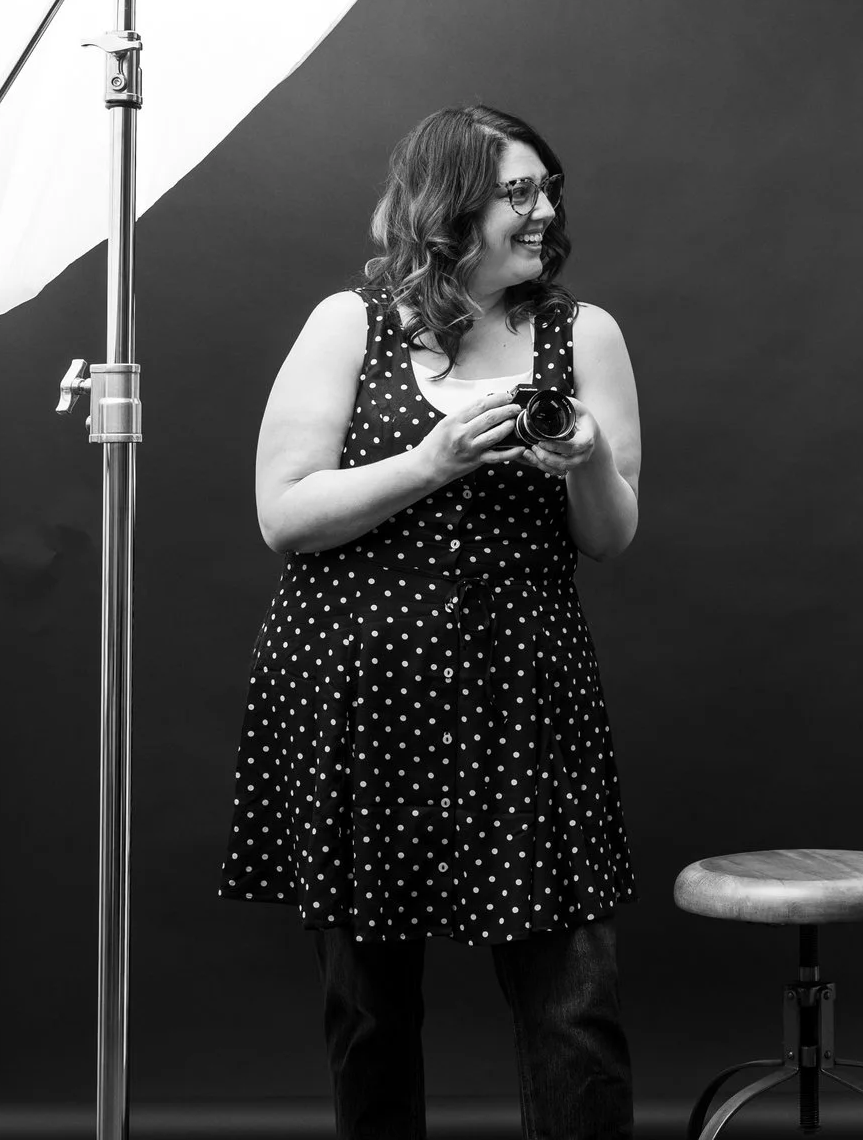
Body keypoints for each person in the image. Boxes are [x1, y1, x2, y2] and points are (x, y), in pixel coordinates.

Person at [222, 105, 644, 1140]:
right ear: (447, 204)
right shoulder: (347, 323)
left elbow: (610, 536)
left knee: (573, 1003)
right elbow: (285, 513)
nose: (545, 210)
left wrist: (586, 456)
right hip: (361, 703)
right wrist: (433, 461)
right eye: (518, 192)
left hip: (524, 701)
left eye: (547, 189)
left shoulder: (581, 333)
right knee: (369, 1011)